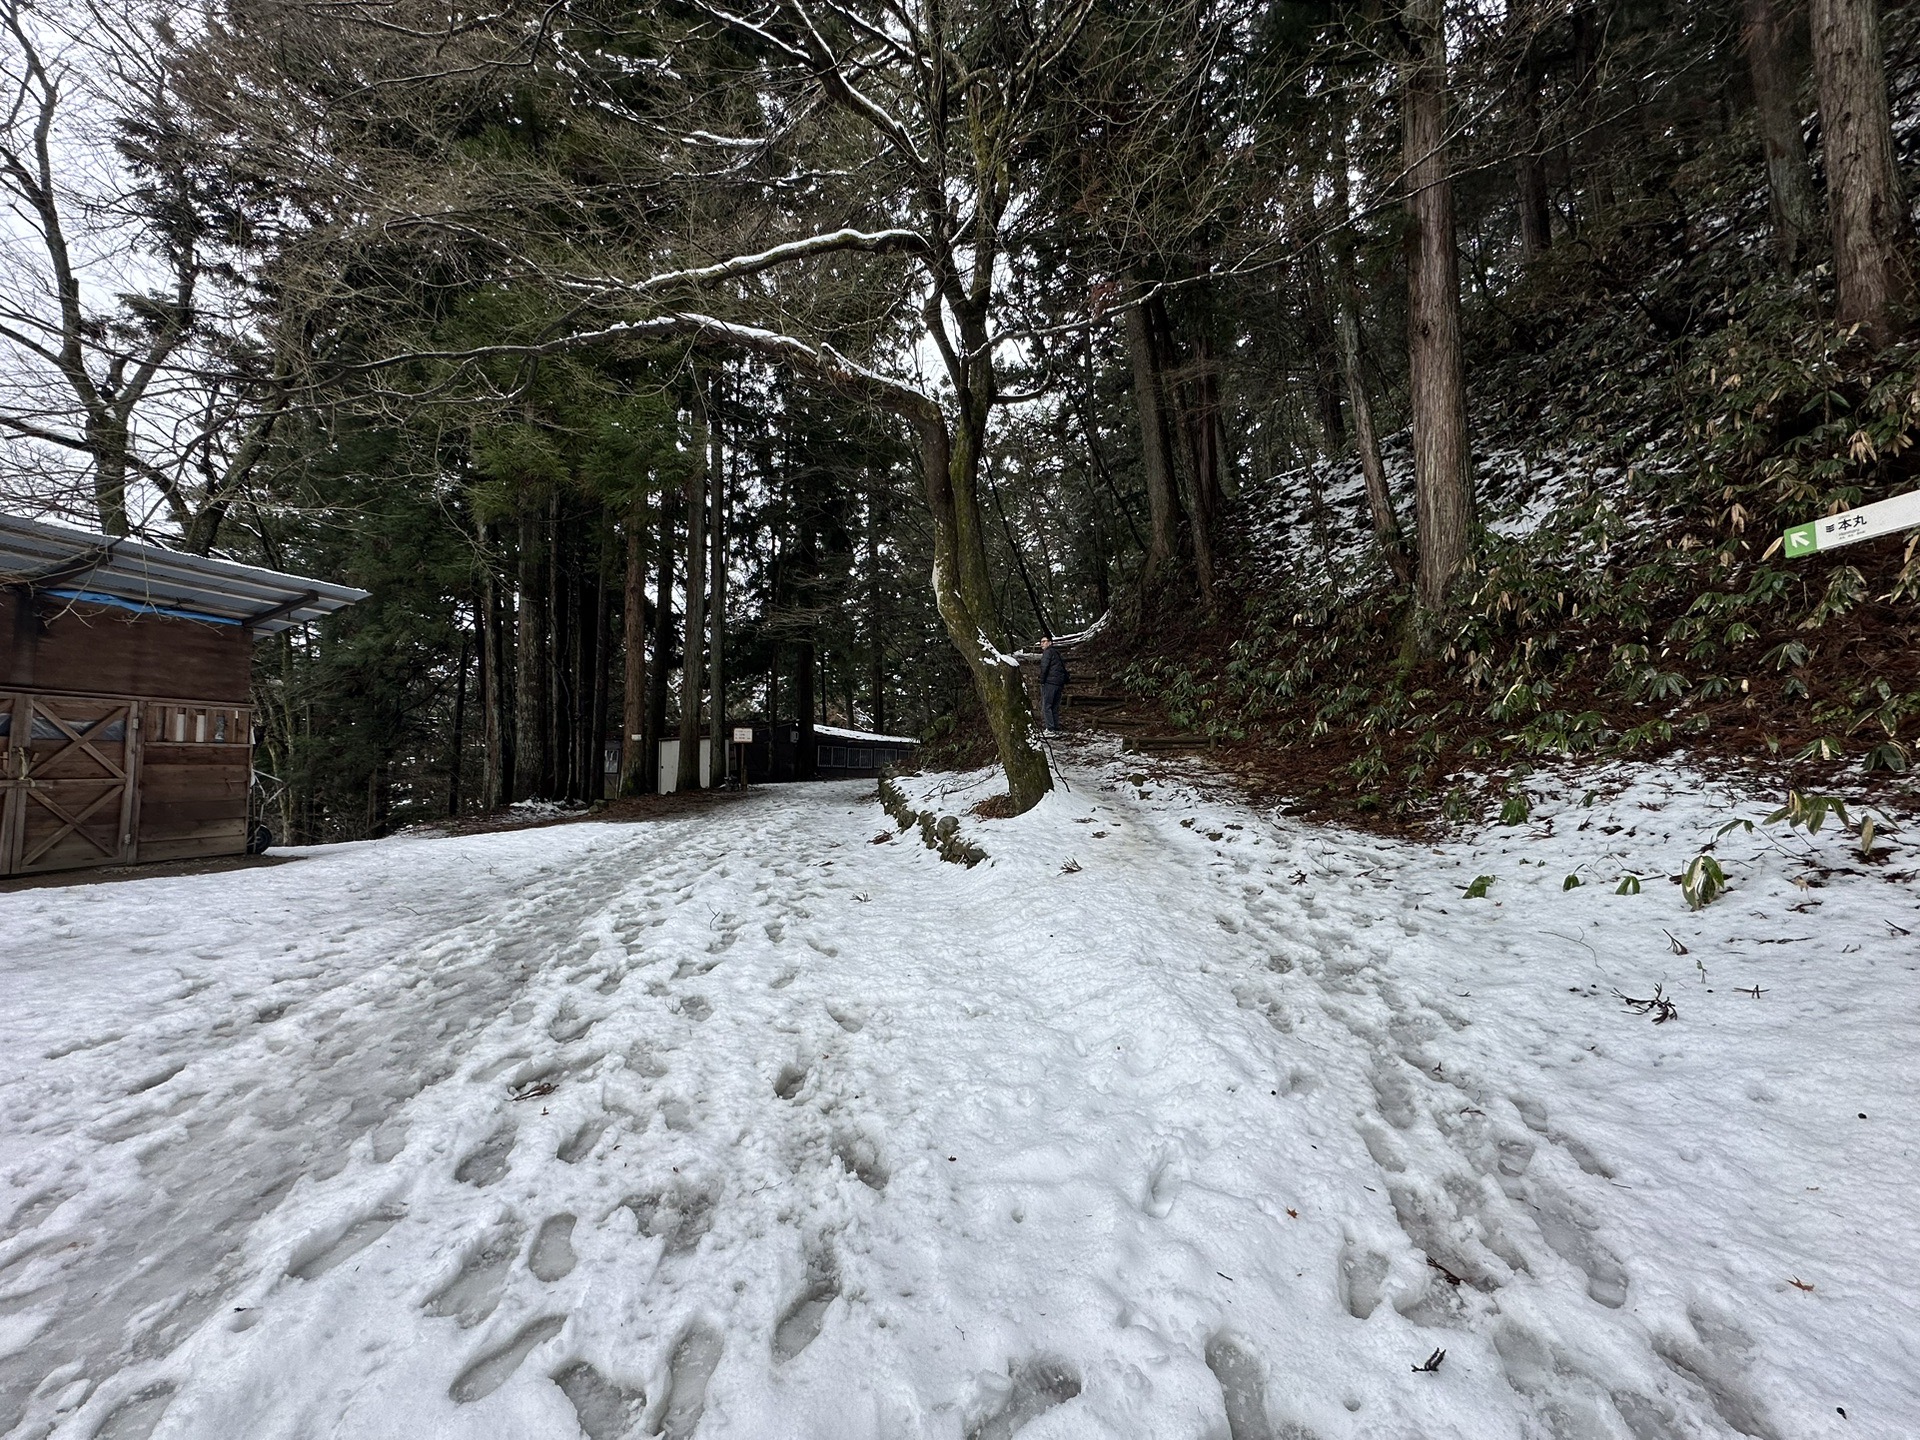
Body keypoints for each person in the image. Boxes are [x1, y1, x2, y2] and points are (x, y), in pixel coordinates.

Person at [1037, 634, 1069, 735]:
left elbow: (1044, 667)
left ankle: (1050, 729)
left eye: (1044, 641)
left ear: (1050, 642)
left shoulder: (1047, 653)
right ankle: (1055, 727)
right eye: (1041, 642)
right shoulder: (1056, 653)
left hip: (1050, 683)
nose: (1042, 644)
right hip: (1059, 684)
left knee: (1047, 706)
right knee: (1054, 706)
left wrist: (1042, 680)